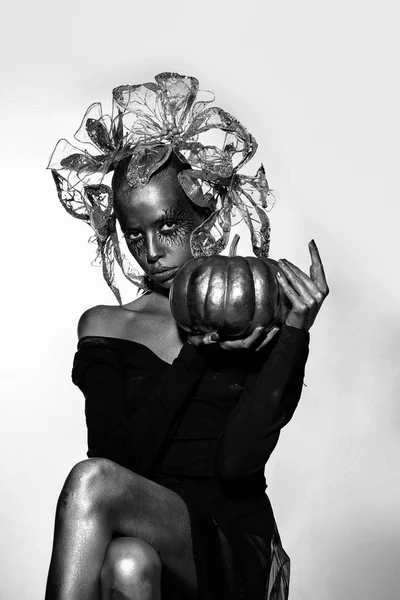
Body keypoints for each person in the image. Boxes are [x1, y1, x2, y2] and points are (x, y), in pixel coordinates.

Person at [45, 73, 329, 600]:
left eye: (168, 227)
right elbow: (118, 459)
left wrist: (293, 335)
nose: (150, 250)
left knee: (93, 485)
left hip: (234, 548)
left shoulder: (252, 313)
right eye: (135, 233)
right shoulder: (107, 326)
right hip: (149, 536)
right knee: (127, 562)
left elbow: (237, 465)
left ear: (204, 218)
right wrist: (195, 355)